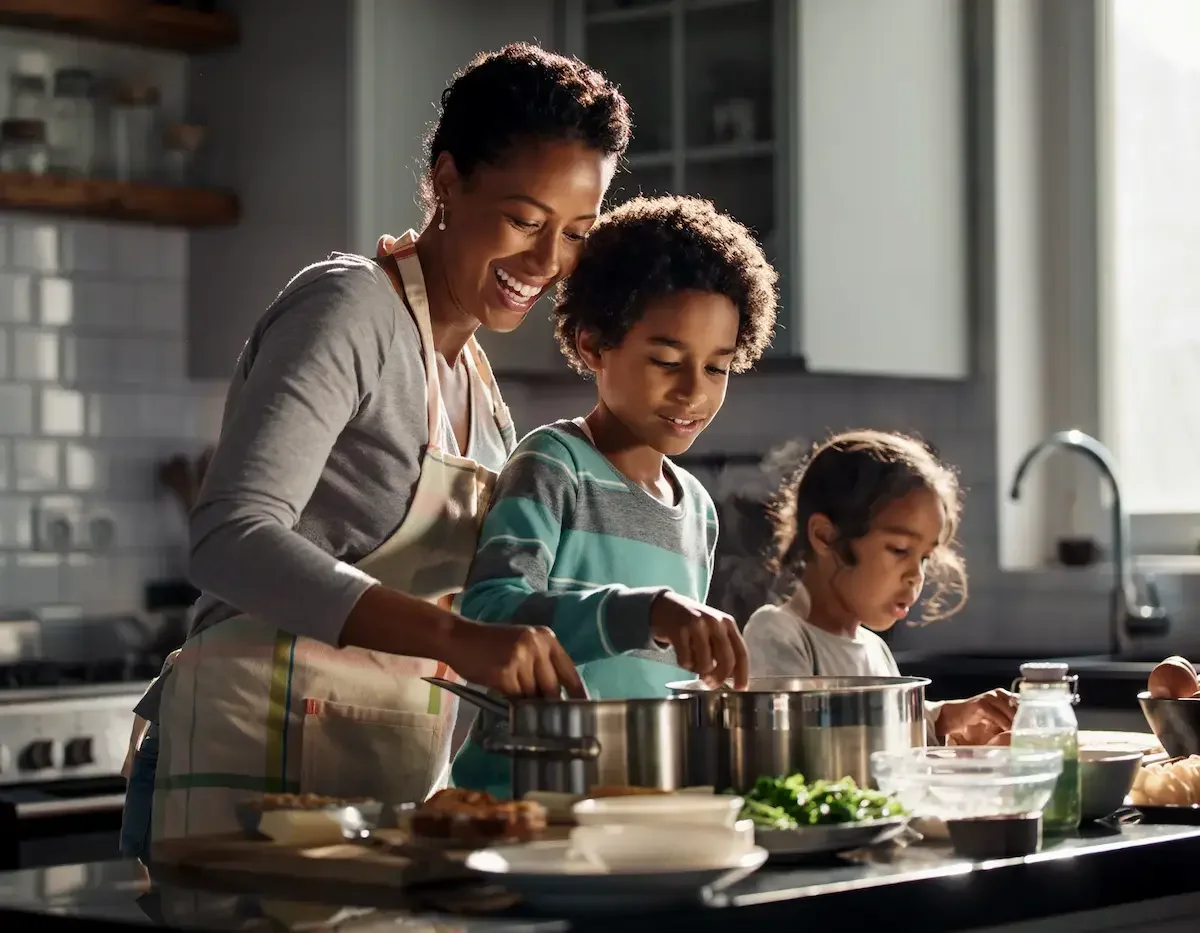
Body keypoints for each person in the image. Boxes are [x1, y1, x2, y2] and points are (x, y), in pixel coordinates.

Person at [118, 43, 633, 859]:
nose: (547, 263)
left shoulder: (478, 386)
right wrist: (456, 638)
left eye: (576, 233)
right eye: (525, 220)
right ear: (448, 179)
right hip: (248, 760)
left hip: (378, 784)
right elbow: (229, 535)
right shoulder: (350, 308)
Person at [451, 195, 780, 795]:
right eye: (665, 360)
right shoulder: (554, 465)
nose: (693, 393)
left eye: (717, 369)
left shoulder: (697, 511)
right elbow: (488, 613)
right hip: (519, 798)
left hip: (632, 802)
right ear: (594, 346)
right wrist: (642, 611)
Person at [743, 430, 1016, 745]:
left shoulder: (875, 649)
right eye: (900, 550)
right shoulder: (778, 633)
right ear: (826, 537)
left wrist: (945, 722)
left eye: (925, 558)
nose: (916, 575)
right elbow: (802, 750)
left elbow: (886, 732)